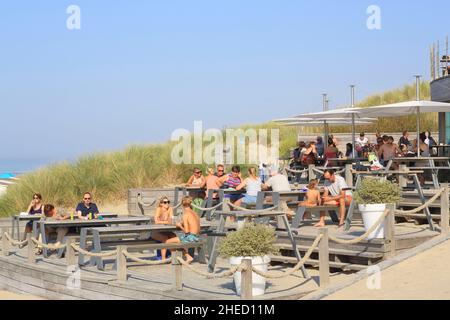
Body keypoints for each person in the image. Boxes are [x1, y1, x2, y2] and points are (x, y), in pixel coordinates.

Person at [166, 197, 201, 264]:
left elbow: (187, 232)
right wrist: (182, 223)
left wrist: (180, 226)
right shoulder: (195, 213)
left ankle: (187, 256)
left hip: (191, 237)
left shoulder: (185, 214)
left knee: (168, 242)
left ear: (182, 204)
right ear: (191, 203)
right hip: (197, 236)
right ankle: (183, 256)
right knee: (175, 241)